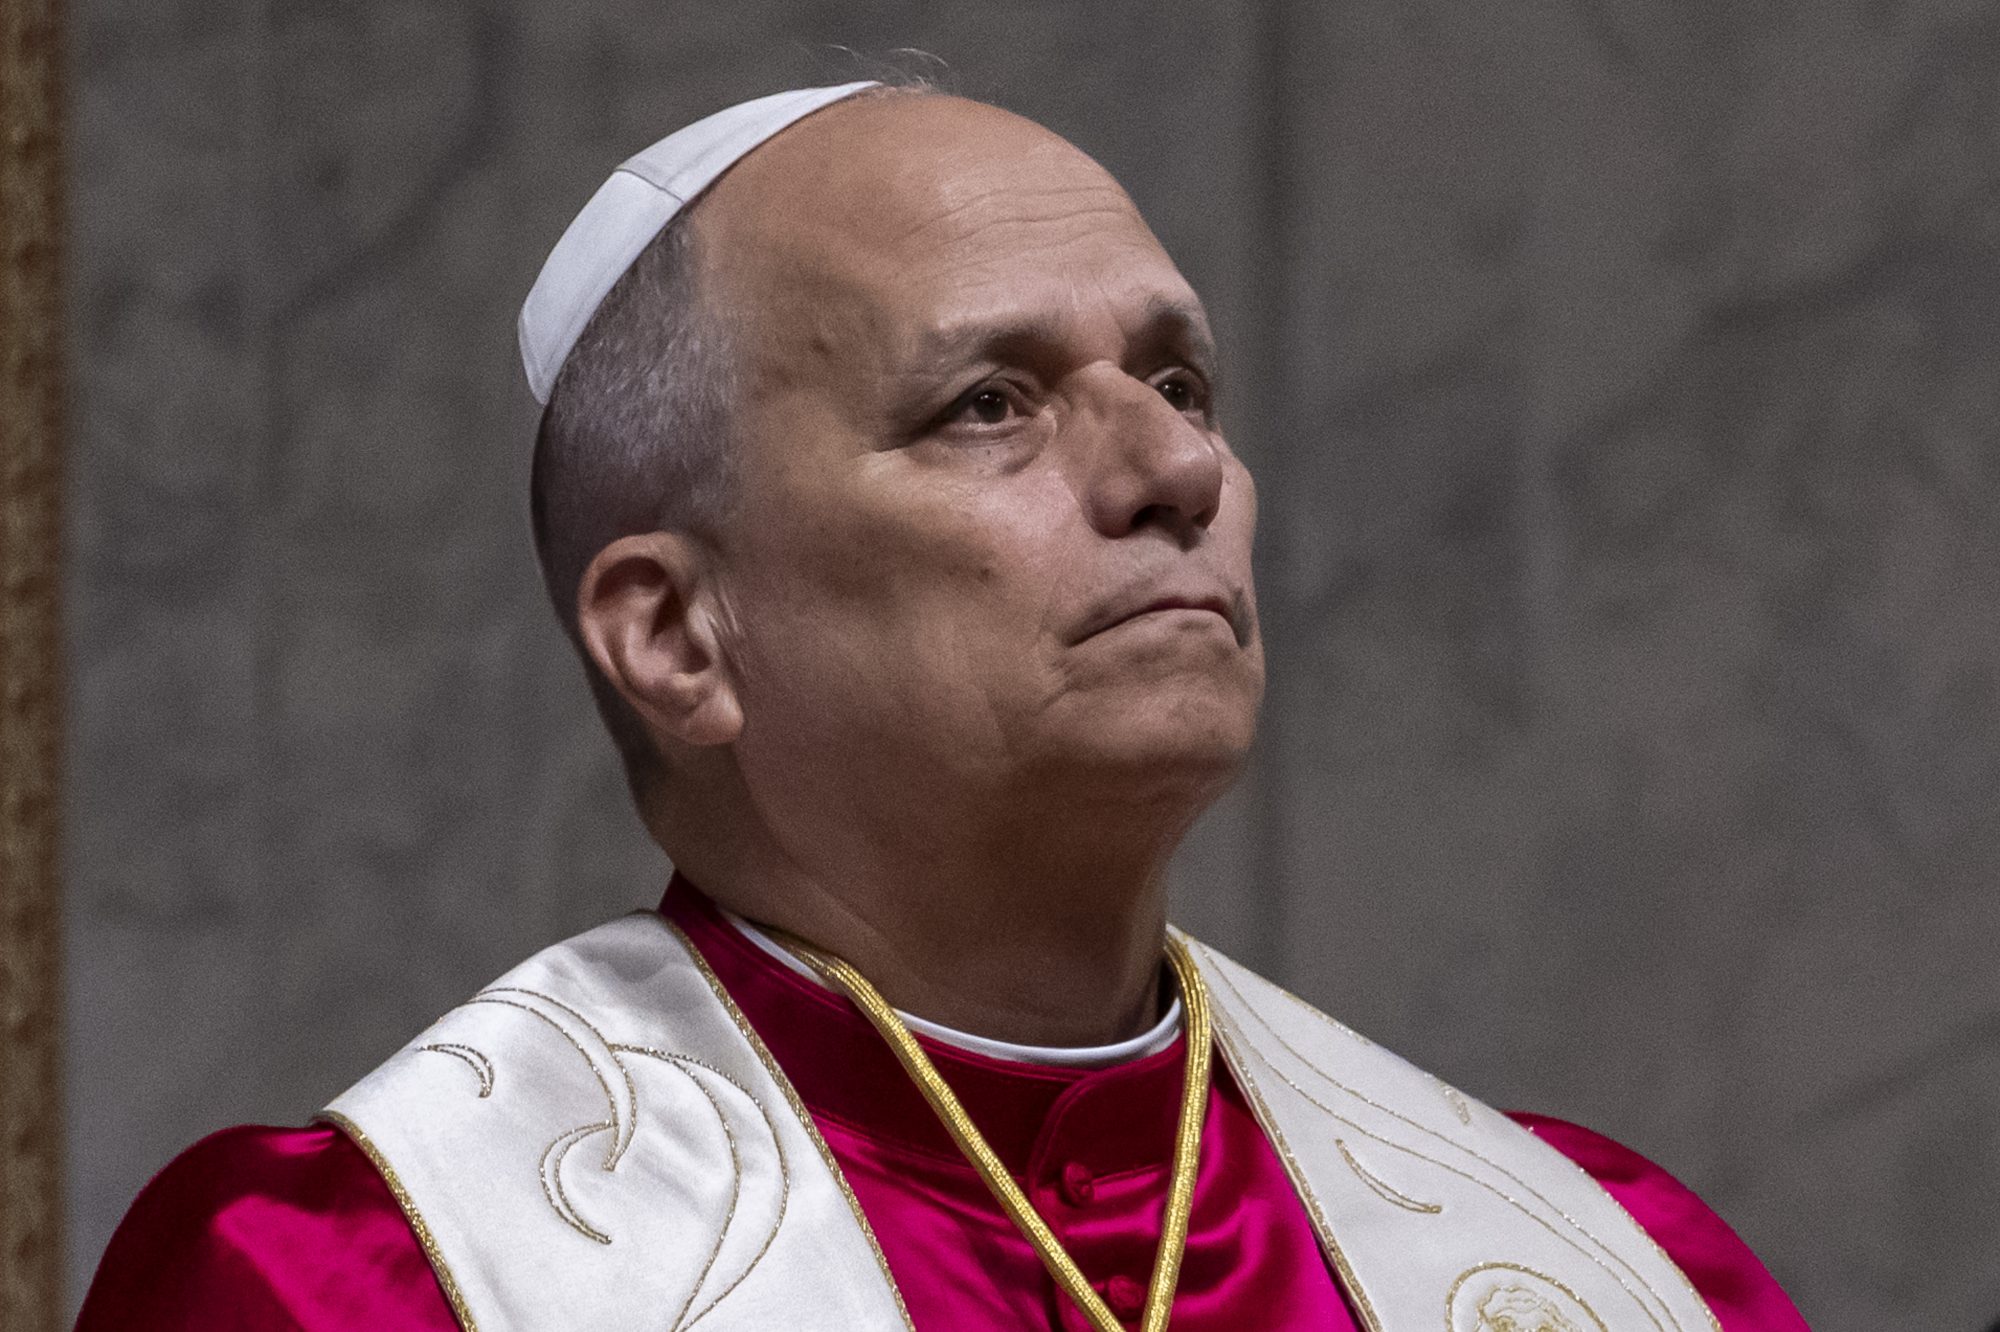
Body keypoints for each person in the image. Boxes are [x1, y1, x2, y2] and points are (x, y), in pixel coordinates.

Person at [78, 81, 1808, 1331]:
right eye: (991, 404)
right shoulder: (358, 1278)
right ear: (676, 636)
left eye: (1181, 379)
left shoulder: (1609, 1261)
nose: (1177, 468)